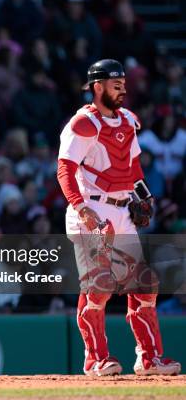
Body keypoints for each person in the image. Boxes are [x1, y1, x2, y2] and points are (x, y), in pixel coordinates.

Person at [57, 59, 181, 376]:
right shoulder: (83, 123)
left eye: (123, 83)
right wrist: (80, 206)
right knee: (99, 284)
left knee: (145, 284)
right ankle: (95, 359)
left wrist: (145, 197)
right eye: (116, 83)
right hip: (91, 208)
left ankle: (150, 358)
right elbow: (65, 169)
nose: (123, 89)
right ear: (97, 87)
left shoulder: (127, 120)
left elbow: (133, 168)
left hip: (122, 207)